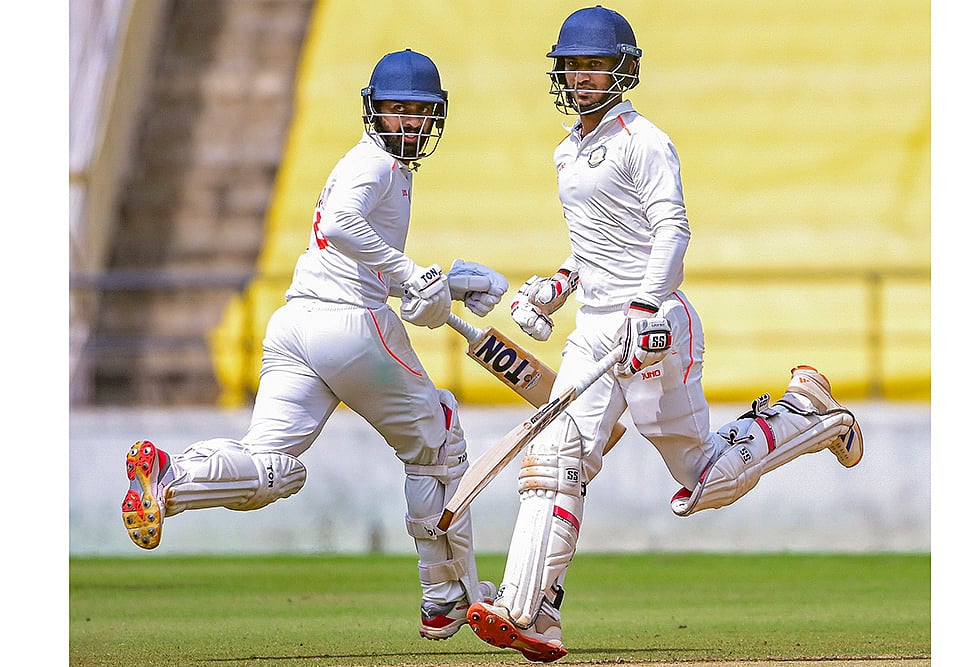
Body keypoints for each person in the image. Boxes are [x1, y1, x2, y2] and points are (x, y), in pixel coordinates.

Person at [465, 7, 864, 662]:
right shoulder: (567, 151)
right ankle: (528, 610)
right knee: (556, 458)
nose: (582, 76)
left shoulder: (644, 140)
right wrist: (559, 286)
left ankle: (806, 414)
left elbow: (671, 230)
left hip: (654, 327)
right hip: (595, 331)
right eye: (573, 64)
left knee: (700, 480)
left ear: (622, 69)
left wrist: (647, 308)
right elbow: (594, 248)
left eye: (594, 64)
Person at [120, 49, 509, 642]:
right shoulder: (375, 165)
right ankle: (444, 596)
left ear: (434, 117)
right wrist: (411, 275)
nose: (407, 122)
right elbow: (340, 228)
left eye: (418, 112)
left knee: (274, 469)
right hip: (350, 327)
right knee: (441, 437)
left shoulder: (378, 168)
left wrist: (447, 282)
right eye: (395, 110)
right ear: (372, 112)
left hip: (297, 326)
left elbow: (355, 252)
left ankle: (171, 482)